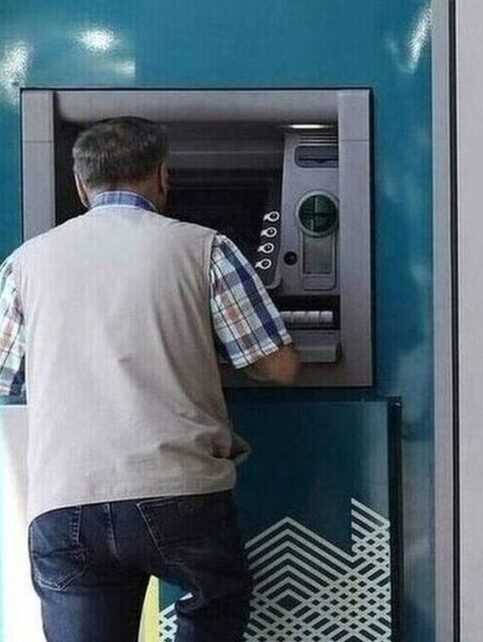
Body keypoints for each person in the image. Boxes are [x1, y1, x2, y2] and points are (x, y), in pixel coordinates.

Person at [0, 116, 301, 641]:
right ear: (163, 176)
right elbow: (281, 366)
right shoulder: (205, 247)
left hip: (66, 498)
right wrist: (193, 347)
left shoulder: (25, 263)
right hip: (178, 491)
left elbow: (6, 379)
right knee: (216, 599)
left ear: (80, 185)